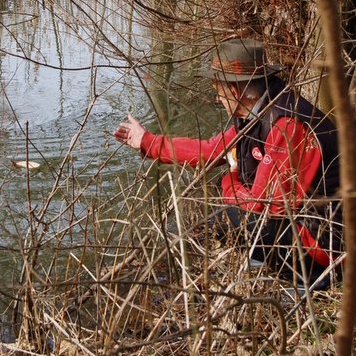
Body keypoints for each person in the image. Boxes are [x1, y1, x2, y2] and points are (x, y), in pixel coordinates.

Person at [114, 38, 342, 289]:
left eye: (218, 90)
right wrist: (146, 141)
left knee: (217, 220)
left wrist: (230, 180)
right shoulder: (260, 111)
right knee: (223, 215)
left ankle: (307, 282)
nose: (217, 99)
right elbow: (211, 150)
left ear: (234, 91)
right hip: (303, 228)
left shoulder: (286, 125)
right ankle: (268, 269)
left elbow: (262, 207)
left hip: (325, 247)